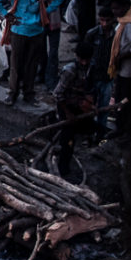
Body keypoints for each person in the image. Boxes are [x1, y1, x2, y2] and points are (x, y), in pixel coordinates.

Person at [0, 0, 65, 104]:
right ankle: (13, 93)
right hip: (18, 30)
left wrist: (46, 11)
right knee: (16, 64)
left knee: (32, 64)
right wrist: (7, 14)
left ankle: (29, 93)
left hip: (36, 31)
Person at [52, 41, 95, 172]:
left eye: (86, 60)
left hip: (78, 104)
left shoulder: (90, 68)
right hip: (66, 105)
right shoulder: (69, 71)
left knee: (86, 129)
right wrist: (68, 113)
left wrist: (90, 104)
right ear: (77, 56)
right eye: (82, 59)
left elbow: (89, 88)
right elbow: (57, 95)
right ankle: (63, 169)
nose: (84, 63)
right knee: (68, 139)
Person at [110, 0, 131, 137]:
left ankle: (128, 130)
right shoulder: (127, 18)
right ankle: (121, 127)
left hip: (129, 70)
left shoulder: (130, 23)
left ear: (124, 7)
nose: (114, 12)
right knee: (121, 99)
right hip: (124, 69)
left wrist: (120, 57)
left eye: (116, 9)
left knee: (126, 100)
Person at [84, 6, 116, 133]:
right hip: (93, 76)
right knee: (89, 106)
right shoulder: (92, 34)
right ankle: (89, 132)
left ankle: (100, 133)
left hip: (107, 77)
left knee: (104, 106)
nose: (104, 24)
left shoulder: (116, 35)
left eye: (107, 21)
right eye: (102, 20)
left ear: (112, 20)